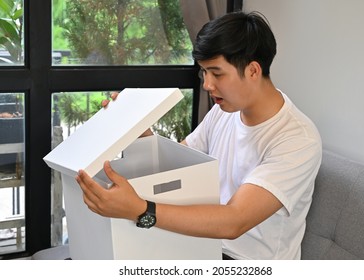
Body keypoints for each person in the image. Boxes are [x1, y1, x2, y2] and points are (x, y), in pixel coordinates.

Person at [76, 11, 322, 260]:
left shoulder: (297, 140)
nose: (207, 84)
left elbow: (234, 221)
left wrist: (142, 210)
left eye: (217, 73)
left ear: (253, 71)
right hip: (202, 245)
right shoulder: (223, 112)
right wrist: (136, 129)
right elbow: (176, 168)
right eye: (204, 72)